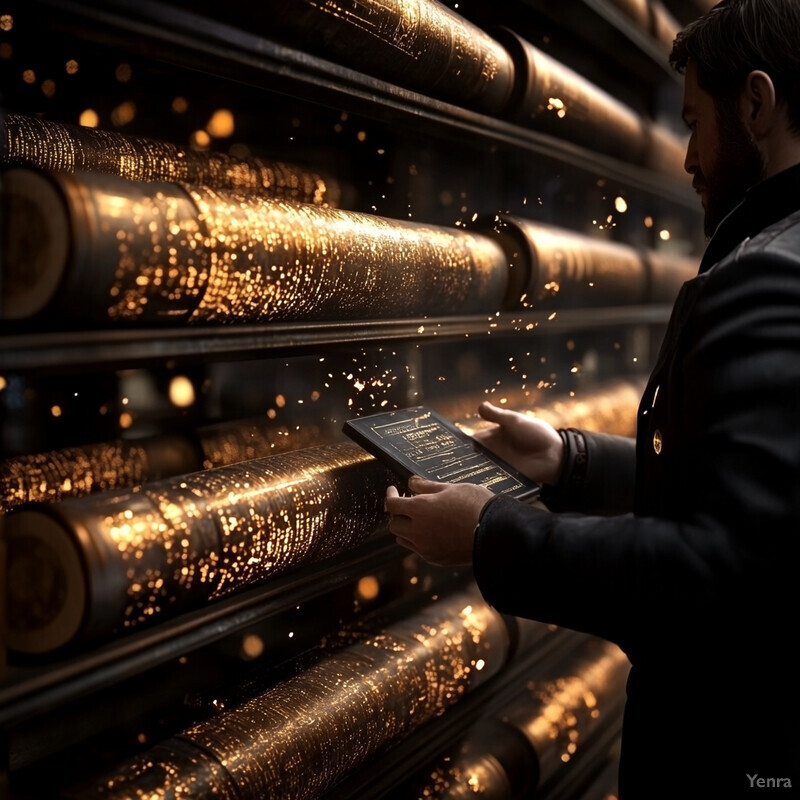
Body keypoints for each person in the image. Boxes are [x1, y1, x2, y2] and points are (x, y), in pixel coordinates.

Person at [384, 1, 800, 796]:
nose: (687, 157)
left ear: (756, 103)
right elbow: (761, 504)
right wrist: (569, 460)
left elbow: (722, 578)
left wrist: (490, 536)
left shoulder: (772, 276)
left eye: (695, 122)